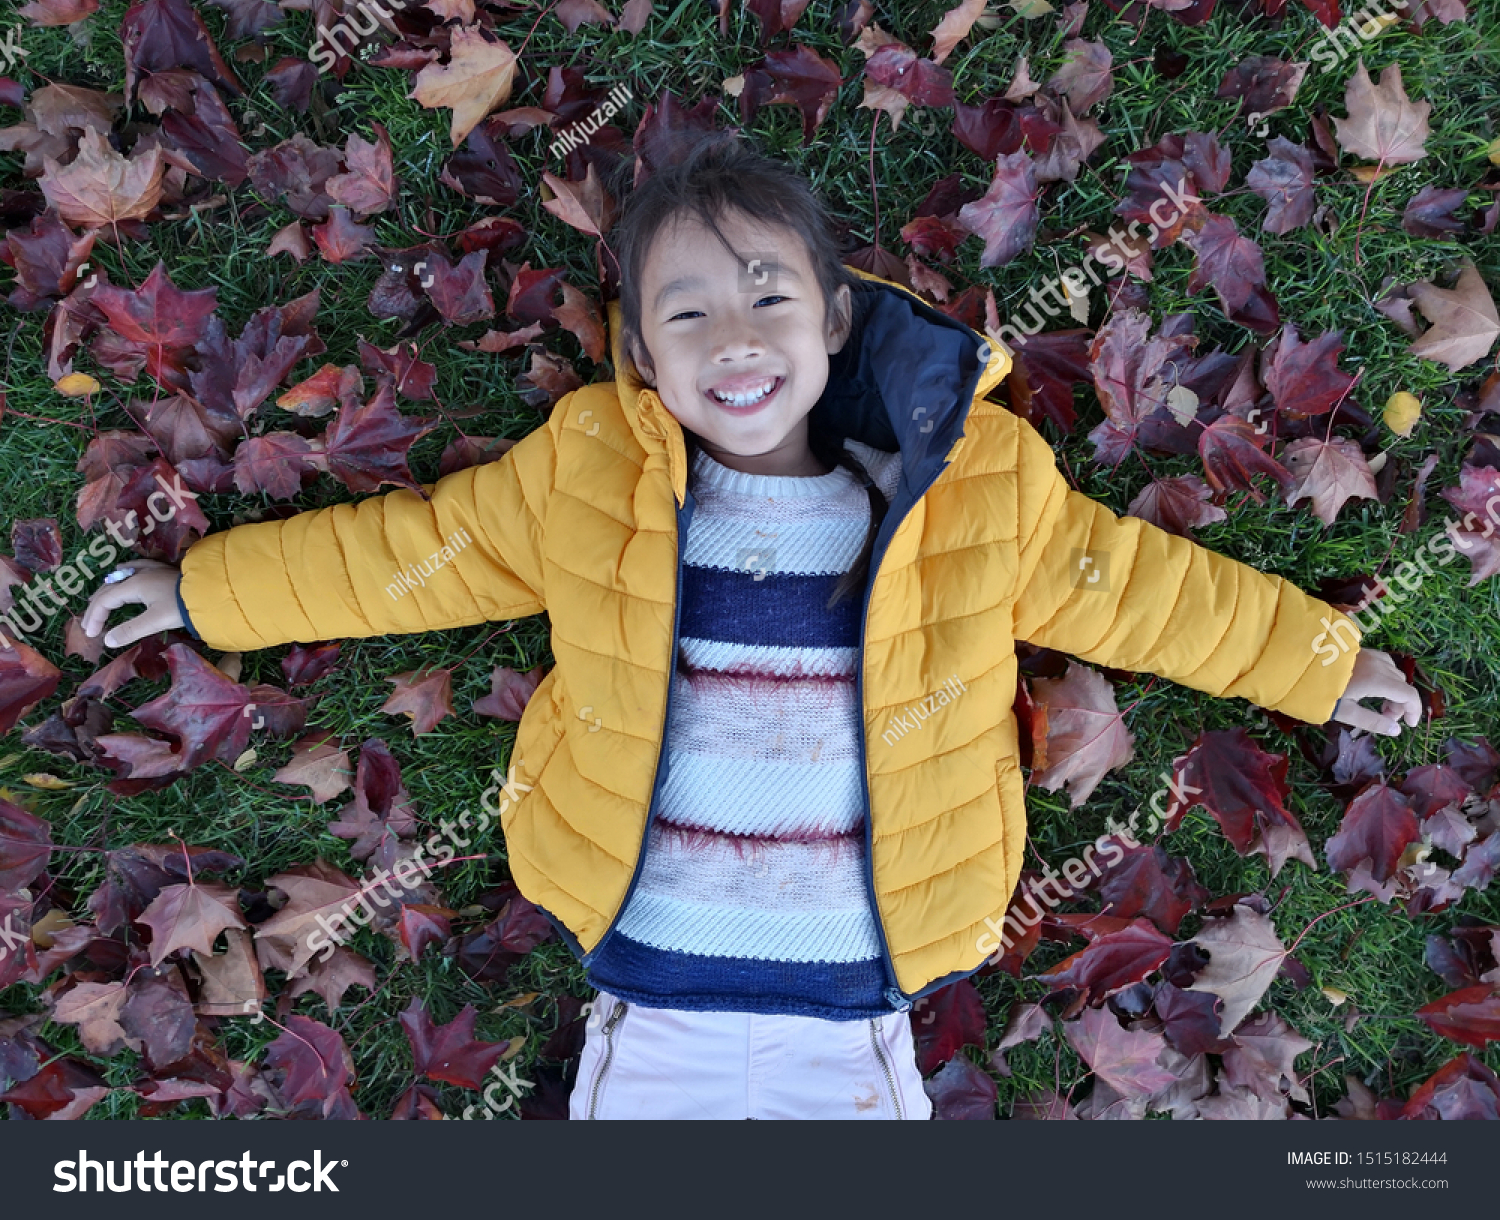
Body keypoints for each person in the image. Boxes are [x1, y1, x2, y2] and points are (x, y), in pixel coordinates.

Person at [83, 134, 1422, 1120]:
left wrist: (1318, 658)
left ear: (835, 320)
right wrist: (208, 590)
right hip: (653, 987)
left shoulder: (973, 483)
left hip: (859, 1008)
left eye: (769, 297)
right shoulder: (587, 474)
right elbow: (411, 560)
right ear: (643, 361)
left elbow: (1140, 589)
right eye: (687, 312)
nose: (735, 337)